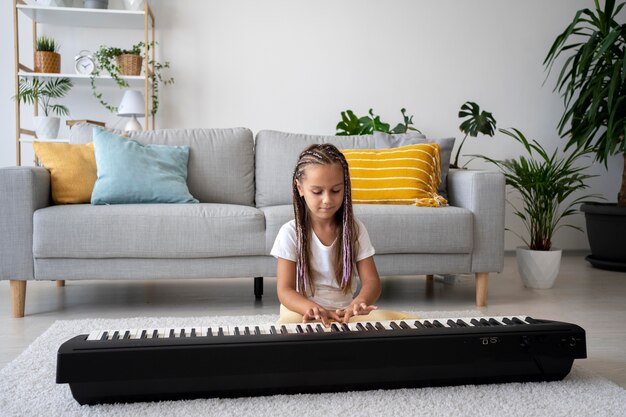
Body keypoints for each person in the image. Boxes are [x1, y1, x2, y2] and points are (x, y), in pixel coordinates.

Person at [271, 143, 415, 326]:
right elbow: (285, 290)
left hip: (345, 311)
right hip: (302, 310)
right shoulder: (290, 232)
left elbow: (372, 282)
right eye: (317, 192)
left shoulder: (355, 229)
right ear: (300, 188)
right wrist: (312, 308)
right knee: (289, 325)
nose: (327, 200)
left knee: (399, 323)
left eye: (336, 190)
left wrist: (359, 303)